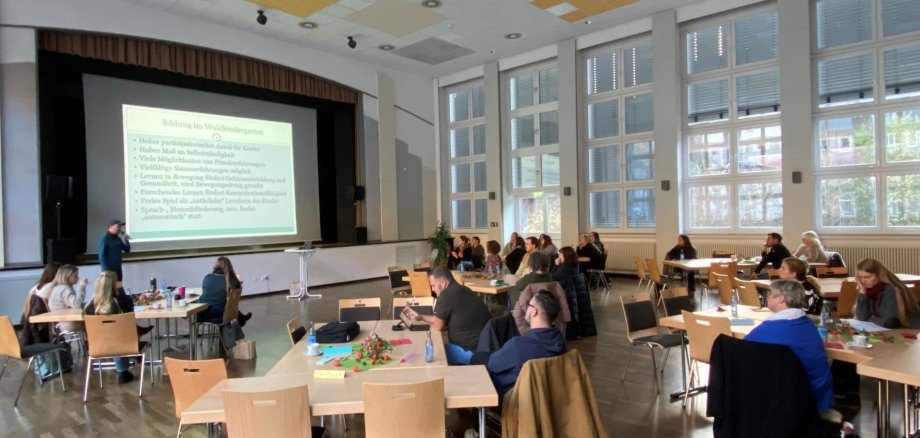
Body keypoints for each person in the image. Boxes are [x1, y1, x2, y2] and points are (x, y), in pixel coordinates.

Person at [744, 280, 834, 412]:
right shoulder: (807, 323)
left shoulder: (770, 328)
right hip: (818, 391)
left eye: (770, 294)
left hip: (794, 396)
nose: (767, 297)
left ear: (781, 299)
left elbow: (745, 348)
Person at [404, 267, 491, 365]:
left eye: (433, 285)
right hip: (484, 347)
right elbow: (439, 320)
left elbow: (438, 326)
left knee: (429, 353)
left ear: (443, 283)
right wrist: (420, 317)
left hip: (469, 352)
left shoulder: (446, 294)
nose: (432, 289)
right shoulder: (464, 289)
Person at [487, 290, 566, 397]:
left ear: (534, 311)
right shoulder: (561, 342)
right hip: (547, 397)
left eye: (529, 304)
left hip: (515, 400)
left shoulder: (518, 346)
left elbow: (492, 364)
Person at [83, 271, 136, 384]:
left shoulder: (88, 307)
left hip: (97, 345)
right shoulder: (119, 302)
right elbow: (130, 308)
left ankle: (123, 369)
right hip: (122, 344)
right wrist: (121, 290)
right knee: (120, 334)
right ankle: (124, 370)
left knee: (112, 336)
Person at [854, 258, 920, 328]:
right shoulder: (869, 290)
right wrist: (862, 292)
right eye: (860, 277)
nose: (863, 281)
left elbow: (890, 322)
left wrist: (870, 318)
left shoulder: (890, 289)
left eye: (867, 277)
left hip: (909, 328)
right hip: (886, 328)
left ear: (879, 275)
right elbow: (862, 317)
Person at [200, 257, 252, 326]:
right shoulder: (232, 281)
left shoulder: (207, 277)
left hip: (207, 312)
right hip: (223, 313)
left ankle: (242, 319)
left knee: (223, 302)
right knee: (226, 303)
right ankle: (241, 318)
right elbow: (237, 285)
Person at [47, 264, 88, 334]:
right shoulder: (64, 289)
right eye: (75, 276)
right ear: (66, 277)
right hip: (68, 323)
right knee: (93, 322)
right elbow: (76, 304)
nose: (78, 278)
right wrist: (81, 287)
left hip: (61, 322)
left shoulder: (59, 288)